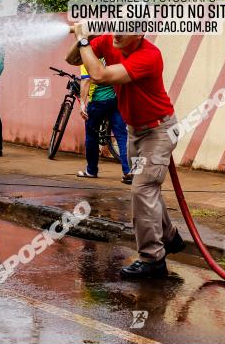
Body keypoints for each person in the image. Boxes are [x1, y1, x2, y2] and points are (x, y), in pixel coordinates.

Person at [66, 26, 185, 278]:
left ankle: (153, 259)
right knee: (147, 187)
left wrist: (85, 38)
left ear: (141, 33)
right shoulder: (110, 42)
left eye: (126, 29)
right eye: (116, 25)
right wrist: (81, 37)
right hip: (135, 130)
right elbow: (73, 59)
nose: (118, 33)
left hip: (159, 130)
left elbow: (98, 75)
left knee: (142, 189)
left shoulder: (149, 55)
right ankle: (170, 237)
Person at [77, 58, 132, 183]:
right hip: (114, 100)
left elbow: (86, 80)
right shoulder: (109, 54)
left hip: (97, 102)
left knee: (91, 137)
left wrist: (82, 104)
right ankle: (128, 172)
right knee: (122, 136)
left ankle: (91, 171)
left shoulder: (88, 57)